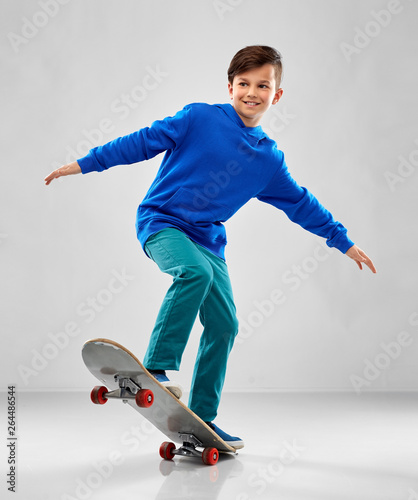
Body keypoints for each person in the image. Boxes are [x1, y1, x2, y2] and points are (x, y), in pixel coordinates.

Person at [44, 45, 376, 449]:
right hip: (162, 223)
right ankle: (158, 366)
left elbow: (301, 203)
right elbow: (141, 142)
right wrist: (85, 163)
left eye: (262, 85)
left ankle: (202, 418)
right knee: (193, 274)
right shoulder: (199, 117)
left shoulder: (268, 160)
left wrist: (342, 241)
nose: (251, 93)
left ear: (277, 95)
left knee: (225, 324)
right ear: (230, 86)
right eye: (243, 84)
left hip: (208, 242)